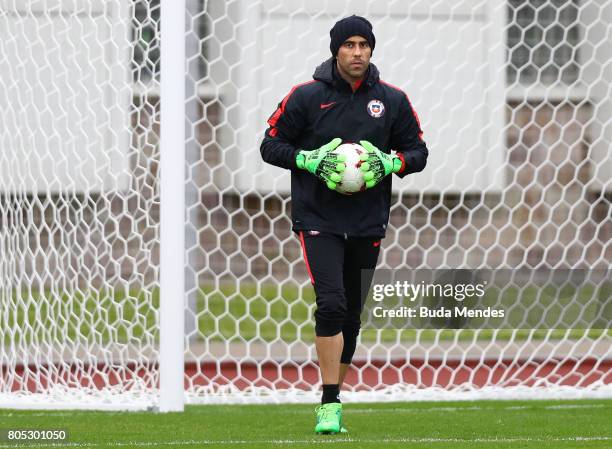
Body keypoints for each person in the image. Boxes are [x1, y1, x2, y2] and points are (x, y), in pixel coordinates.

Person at [260, 15, 428, 434]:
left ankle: (337, 392)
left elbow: (418, 152)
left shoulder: (391, 101)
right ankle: (329, 403)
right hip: (318, 217)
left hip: (368, 221)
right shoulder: (306, 96)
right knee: (331, 304)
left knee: (351, 315)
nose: (357, 52)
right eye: (349, 44)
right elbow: (270, 144)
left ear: (372, 50)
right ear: (335, 49)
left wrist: (391, 162)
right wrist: (308, 160)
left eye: (363, 45)